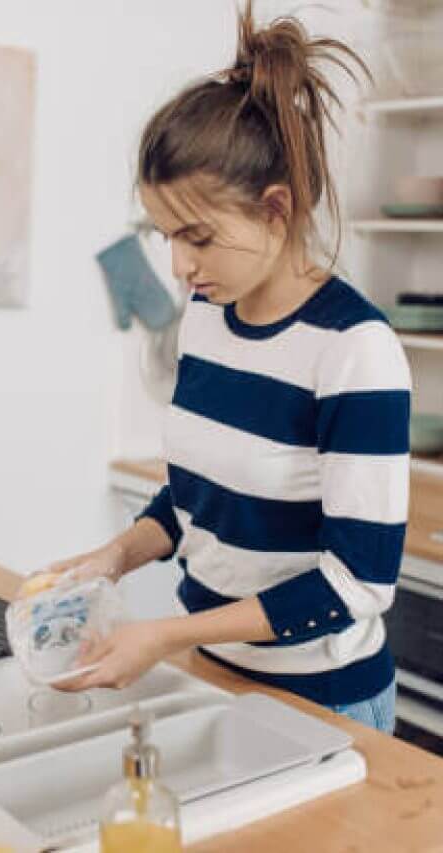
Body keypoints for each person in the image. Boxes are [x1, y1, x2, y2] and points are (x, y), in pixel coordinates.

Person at [33, 1, 411, 733]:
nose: (178, 265)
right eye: (167, 235)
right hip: (213, 677)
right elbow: (199, 495)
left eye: (198, 237)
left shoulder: (354, 350)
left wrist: (164, 634)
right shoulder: (208, 319)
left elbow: (355, 581)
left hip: (325, 701)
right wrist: (114, 557)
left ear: (275, 209)